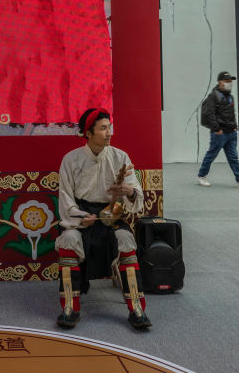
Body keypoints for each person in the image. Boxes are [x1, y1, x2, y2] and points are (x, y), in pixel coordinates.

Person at [54, 108, 151, 330]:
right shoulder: (70, 160)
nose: (109, 133)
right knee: (68, 240)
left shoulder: (121, 157)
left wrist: (126, 190)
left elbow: (137, 195)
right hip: (81, 216)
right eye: (103, 128)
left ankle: (137, 308)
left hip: (111, 217)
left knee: (125, 240)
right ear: (88, 133)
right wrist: (80, 218)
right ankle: (70, 306)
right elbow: (66, 199)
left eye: (110, 127)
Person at [197, 71, 239, 189]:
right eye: (227, 81)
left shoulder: (230, 96)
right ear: (220, 82)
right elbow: (210, 114)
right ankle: (201, 176)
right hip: (220, 133)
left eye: (231, 81)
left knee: (233, 157)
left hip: (231, 133)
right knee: (211, 155)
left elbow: (231, 114)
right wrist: (217, 129)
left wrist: (234, 126)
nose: (230, 83)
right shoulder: (213, 96)